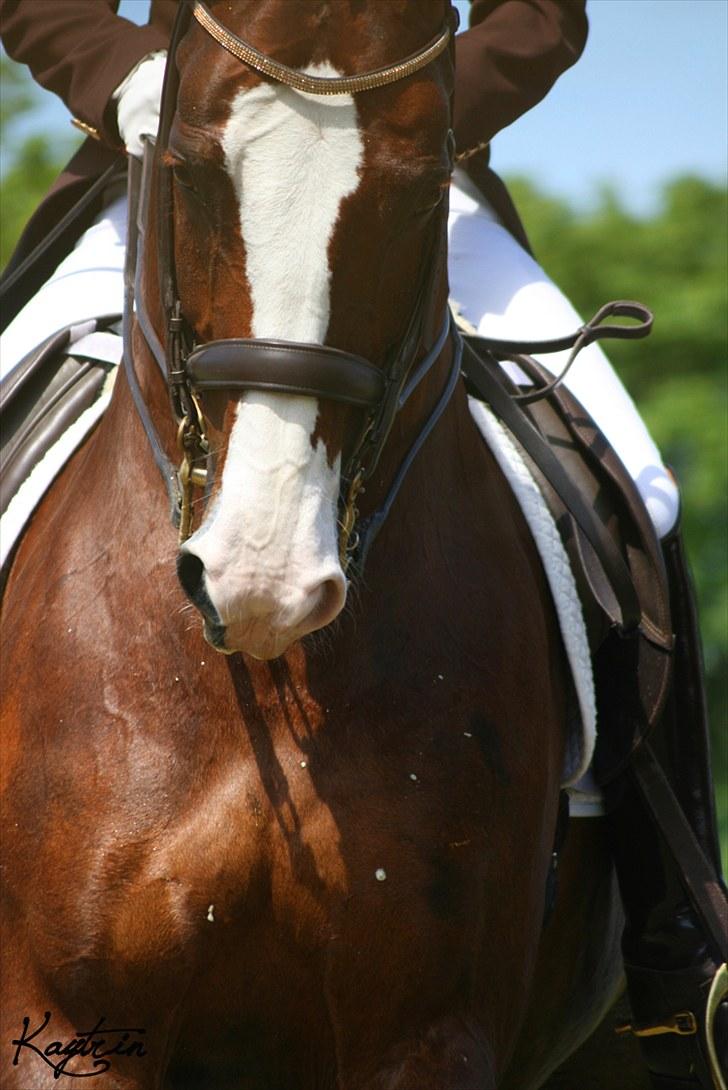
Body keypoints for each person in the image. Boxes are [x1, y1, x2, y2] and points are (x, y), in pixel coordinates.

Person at [0, 3, 724, 1085]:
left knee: (629, 473)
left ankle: (674, 934)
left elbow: (542, 14)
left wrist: (421, 114)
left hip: (395, 169)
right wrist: (130, 83)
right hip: (183, 156)